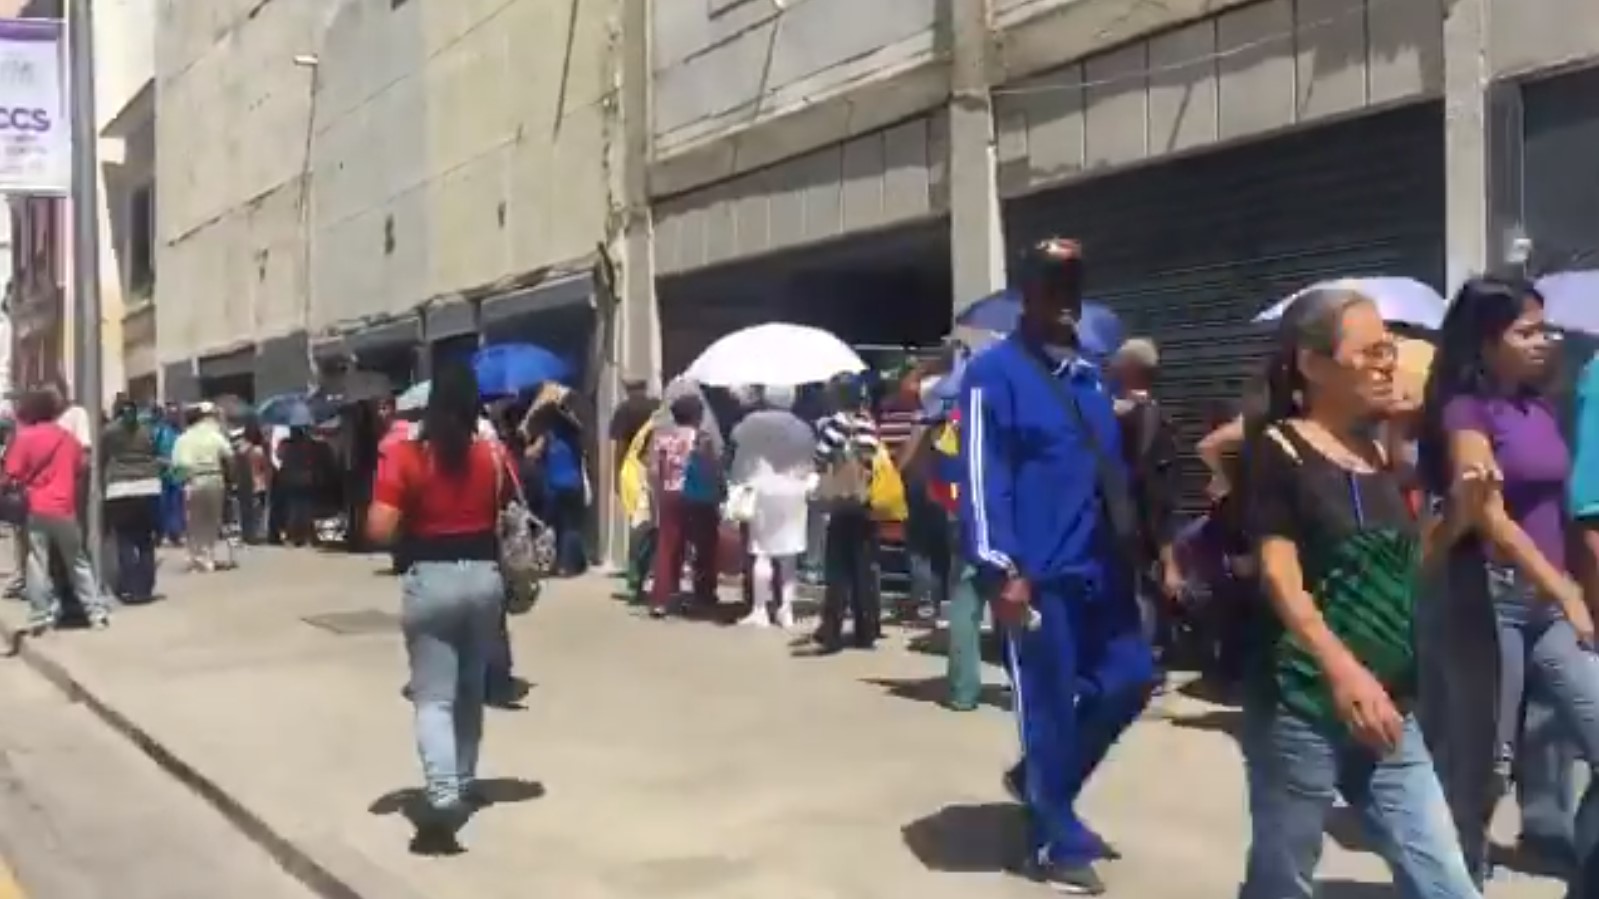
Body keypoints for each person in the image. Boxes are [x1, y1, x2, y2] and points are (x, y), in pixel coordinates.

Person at [1241, 288, 1482, 899]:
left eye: (1390, 348)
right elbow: (1279, 578)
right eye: (1371, 350)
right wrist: (1344, 674)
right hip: (1303, 704)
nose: (1387, 362)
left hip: (1388, 707)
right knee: (1284, 877)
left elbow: (1406, 575)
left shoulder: (1377, 454)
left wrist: (1457, 518)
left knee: (1446, 880)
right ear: (1313, 365)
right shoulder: (1280, 450)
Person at [960, 238, 1154, 893]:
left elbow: (1112, 476)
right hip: (1036, 576)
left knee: (1130, 679)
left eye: (1073, 286)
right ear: (1027, 296)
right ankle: (1050, 837)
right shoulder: (993, 375)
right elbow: (983, 479)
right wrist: (999, 567)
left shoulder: (1089, 375)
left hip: (1102, 568)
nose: (1065, 300)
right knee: (1044, 706)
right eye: (1051, 286)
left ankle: (1044, 785)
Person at [1417, 276, 1596, 889]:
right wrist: (1564, 587)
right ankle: (1453, 875)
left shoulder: (1540, 407)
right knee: (1482, 768)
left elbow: (1563, 504)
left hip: (1547, 604)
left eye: (1545, 328)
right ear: (1486, 340)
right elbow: (1488, 518)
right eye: (1526, 331)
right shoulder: (1464, 411)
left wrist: (1572, 582)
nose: (1545, 340)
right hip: (1488, 600)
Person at [367, 361, 510, 848]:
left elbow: (379, 528)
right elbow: (507, 503)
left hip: (431, 580)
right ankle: (465, 781)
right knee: (471, 689)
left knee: (433, 696)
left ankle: (444, 797)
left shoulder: (409, 455)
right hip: (486, 579)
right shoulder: (491, 454)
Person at [5, 389, 111, 633]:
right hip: (64, 507)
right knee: (77, 561)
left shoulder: (25, 438)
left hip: (36, 508)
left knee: (37, 562)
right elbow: (80, 466)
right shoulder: (66, 438)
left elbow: (11, 474)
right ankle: (96, 612)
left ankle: (40, 615)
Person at [1107, 337, 1181, 665]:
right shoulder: (1152, 416)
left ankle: (1140, 665)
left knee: (1138, 595)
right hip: (1136, 525)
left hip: (1130, 524)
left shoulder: (1126, 418)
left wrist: (1166, 548)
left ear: (1129, 370)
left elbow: (1156, 487)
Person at [729, 385, 814, 629]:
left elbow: (736, 438)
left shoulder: (752, 422)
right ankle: (786, 610)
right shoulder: (802, 427)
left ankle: (759, 610)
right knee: (788, 556)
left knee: (761, 552)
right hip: (794, 492)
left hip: (762, 491)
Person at [811, 374, 883, 652]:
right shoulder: (868, 423)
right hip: (865, 499)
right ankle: (867, 630)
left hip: (843, 502)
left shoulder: (839, 422)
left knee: (838, 567)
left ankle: (832, 628)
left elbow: (820, 456)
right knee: (864, 567)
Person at [647, 393, 720, 618]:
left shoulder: (662, 438)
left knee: (668, 545)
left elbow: (653, 471)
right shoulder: (702, 438)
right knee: (704, 544)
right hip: (696, 495)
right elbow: (711, 468)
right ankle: (703, 594)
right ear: (698, 415)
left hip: (669, 494)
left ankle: (661, 598)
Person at [101, 395, 163, 603]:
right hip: (149, 485)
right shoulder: (147, 430)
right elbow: (154, 453)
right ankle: (145, 588)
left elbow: (101, 458)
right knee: (146, 540)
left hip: (119, 488)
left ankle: (129, 587)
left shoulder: (109, 432)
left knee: (125, 539)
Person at [171, 401, 234, 572]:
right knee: (212, 520)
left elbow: (180, 464)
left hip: (194, 481)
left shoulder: (183, 438)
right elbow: (229, 454)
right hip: (215, 479)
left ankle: (196, 557)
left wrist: (181, 481)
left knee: (193, 522)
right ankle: (208, 555)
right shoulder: (215, 435)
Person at [275, 421, 320, 547]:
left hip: (290, 478)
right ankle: (305, 537)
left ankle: (292, 537)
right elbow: (312, 460)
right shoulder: (307, 444)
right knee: (304, 509)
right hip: (304, 478)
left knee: (293, 509)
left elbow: (279, 456)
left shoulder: (285, 444)